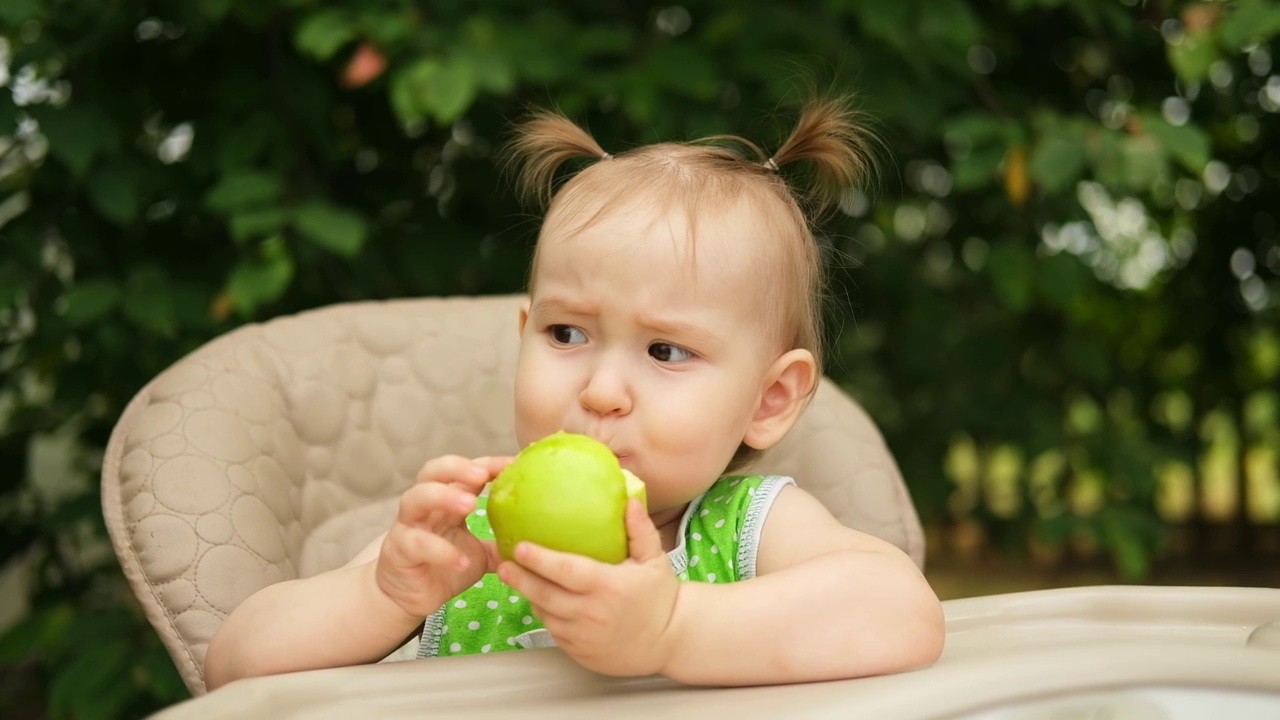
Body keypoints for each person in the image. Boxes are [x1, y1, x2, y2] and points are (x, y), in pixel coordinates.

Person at [204, 95, 945, 690]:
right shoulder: (474, 536)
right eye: (566, 335)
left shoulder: (745, 528)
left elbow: (905, 614)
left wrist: (673, 626)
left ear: (769, 400)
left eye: (665, 350)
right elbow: (233, 666)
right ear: (524, 331)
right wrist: (385, 596)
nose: (601, 390)